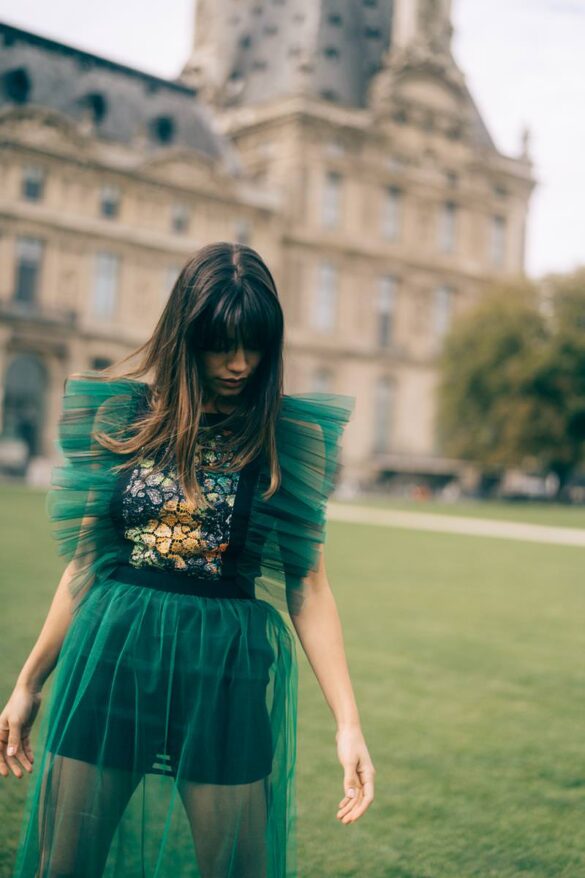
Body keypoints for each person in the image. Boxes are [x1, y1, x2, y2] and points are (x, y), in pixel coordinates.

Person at [1, 242, 375, 878]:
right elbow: (88, 560)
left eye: (254, 344)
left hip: (224, 669)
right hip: (113, 655)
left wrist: (348, 724)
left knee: (238, 868)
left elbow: (307, 585)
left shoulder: (283, 438)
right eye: (219, 343)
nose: (237, 363)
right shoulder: (124, 417)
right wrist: (28, 682)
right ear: (184, 334)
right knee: (64, 867)